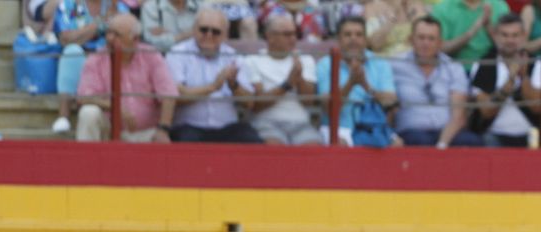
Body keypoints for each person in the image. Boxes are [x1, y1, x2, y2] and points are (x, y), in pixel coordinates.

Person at [74, 13, 178, 142]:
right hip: (107, 132)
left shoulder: (151, 56)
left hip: (145, 134)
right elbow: (84, 98)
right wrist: (116, 107)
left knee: (163, 140)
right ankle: (86, 160)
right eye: (108, 33)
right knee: (88, 113)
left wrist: (163, 129)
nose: (109, 38)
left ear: (135, 39)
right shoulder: (96, 59)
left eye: (116, 35)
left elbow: (169, 94)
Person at [166, 7, 263, 141]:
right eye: (203, 29)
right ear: (194, 29)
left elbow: (249, 103)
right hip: (189, 127)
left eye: (216, 31)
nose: (209, 35)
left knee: (251, 139)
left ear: (225, 35)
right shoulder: (177, 53)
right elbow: (176, 97)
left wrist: (234, 85)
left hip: (227, 127)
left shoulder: (233, 56)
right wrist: (213, 87)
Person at [390, 16, 482, 145]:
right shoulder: (394, 65)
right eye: (421, 37)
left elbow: (459, 114)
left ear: (440, 43)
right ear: (411, 40)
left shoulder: (454, 67)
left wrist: (442, 144)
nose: (425, 43)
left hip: (447, 132)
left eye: (431, 39)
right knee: (420, 141)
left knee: (472, 142)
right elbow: (386, 105)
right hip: (411, 132)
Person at [318, 14, 401, 145]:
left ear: (365, 39)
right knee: (340, 144)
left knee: (397, 145)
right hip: (339, 128)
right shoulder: (326, 64)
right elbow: (327, 108)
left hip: (374, 126)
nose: (353, 39)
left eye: (359, 35)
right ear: (338, 39)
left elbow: (391, 104)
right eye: (348, 34)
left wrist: (367, 87)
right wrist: (350, 84)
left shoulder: (379, 62)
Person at [242, 12, 321, 144]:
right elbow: (257, 105)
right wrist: (287, 84)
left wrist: (299, 78)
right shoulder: (253, 61)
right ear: (270, 37)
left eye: (294, 34)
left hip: (301, 124)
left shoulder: (306, 60)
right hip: (266, 123)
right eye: (287, 34)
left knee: (314, 150)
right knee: (274, 149)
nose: (293, 39)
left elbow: (308, 102)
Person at [468, 11, 535, 145]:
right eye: (505, 35)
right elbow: (486, 111)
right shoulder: (483, 65)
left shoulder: (537, 64)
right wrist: (510, 80)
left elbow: (538, 108)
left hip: (531, 134)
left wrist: (524, 76)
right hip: (493, 135)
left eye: (515, 35)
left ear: (523, 37)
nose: (510, 40)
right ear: (496, 36)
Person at [51, 0, 105, 135]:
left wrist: (80, 35)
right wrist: (97, 25)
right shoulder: (68, 5)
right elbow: (66, 39)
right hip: (79, 57)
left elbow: (124, 36)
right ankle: (64, 115)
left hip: (107, 58)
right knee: (72, 51)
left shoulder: (117, 6)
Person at [432, 0, 507, 62]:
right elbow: (439, 49)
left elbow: (508, 47)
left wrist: (488, 26)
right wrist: (473, 30)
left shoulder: (499, 6)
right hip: (452, 68)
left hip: (492, 67)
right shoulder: (443, 8)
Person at [364, 0, 430, 56]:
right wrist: (392, 18)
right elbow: (375, 44)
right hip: (386, 61)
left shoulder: (414, 4)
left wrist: (412, 13)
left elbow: (425, 33)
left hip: (412, 59)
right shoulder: (372, 7)